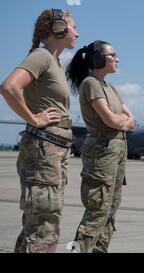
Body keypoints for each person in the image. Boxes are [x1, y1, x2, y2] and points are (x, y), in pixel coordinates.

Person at [0, 8, 78, 253]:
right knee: (44, 223)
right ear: (59, 29)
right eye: (73, 26)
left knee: (41, 221)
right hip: (44, 148)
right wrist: (33, 118)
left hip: (54, 149)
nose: (77, 32)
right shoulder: (42, 56)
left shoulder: (54, 61)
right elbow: (9, 87)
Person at [66, 40, 135, 253]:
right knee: (97, 213)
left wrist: (121, 121)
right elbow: (112, 121)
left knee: (109, 213)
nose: (117, 58)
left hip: (116, 151)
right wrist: (121, 121)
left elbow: (131, 120)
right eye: (112, 55)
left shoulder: (110, 87)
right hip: (102, 152)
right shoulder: (90, 84)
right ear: (97, 59)